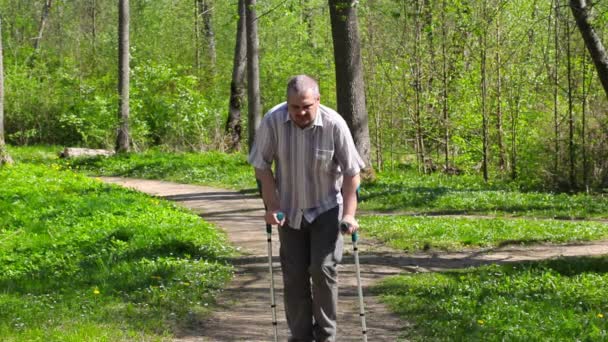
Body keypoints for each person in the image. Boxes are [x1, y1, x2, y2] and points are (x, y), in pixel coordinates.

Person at [248, 74, 365, 342]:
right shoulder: (273, 120)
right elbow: (261, 166)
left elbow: (351, 173)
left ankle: (326, 336)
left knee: (323, 270)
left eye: (306, 106)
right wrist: (272, 205)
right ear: (287, 104)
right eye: (295, 107)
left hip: (326, 208)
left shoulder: (334, 124)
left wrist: (349, 214)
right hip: (289, 211)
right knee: (294, 275)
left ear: (317, 101)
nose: (300, 112)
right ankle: (300, 337)